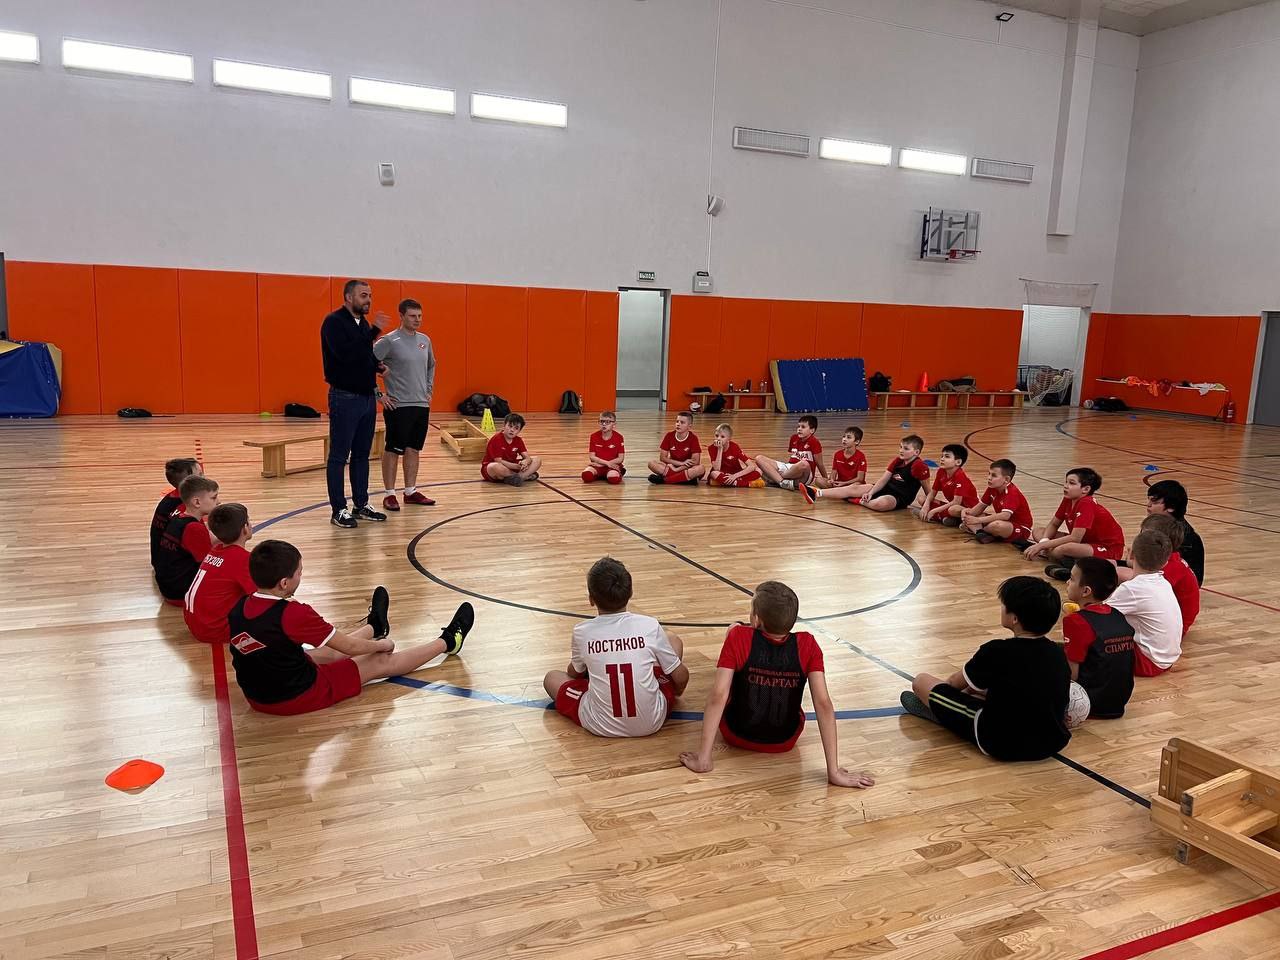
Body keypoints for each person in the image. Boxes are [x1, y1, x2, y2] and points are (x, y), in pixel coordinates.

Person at [227, 539, 475, 715]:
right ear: (284, 583)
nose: (301, 576)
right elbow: (350, 647)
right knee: (379, 661)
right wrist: (381, 646)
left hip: (257, 696)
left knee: (324, 652)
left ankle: (374, 626)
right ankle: (448, 641)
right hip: (295, 696)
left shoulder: (239, 606)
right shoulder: (293, 613)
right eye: (299, 573)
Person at [678, 581, 876, 789]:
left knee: (733, 631)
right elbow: (823, 703)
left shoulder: (739, 636)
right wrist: (833, 772)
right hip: (784, 740)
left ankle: (705, 758)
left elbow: (718, 696)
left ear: (756, 619)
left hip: (735, 733)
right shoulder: (808, 644)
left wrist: (704, 758)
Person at [900, 576, 1071, 762]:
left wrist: (939, 699)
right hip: (1051, 743)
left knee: (921, 682)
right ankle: (946, 709)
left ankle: (938, 714)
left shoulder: (996, 650)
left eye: (1003, 605)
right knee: (979, 690)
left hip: (1001, 743)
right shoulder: (1058, 652)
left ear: (1014, 618)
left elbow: (953, 683)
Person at [542, 557, 689, 736]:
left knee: (552, 678)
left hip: (600, 725)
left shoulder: (582, 631)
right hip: (653, 722)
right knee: (673, 640)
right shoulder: (649, 625)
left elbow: (573, 673)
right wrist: (673, 691)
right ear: (630, 592)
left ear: (591, 599)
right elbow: (681, 677)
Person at [321, 279, 390, 529]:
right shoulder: (334, 322)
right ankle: (338, 509)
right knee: (339, 456)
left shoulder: (362, 325)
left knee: (362, 454)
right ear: (349, 297)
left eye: (369, 295)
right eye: (363, 295)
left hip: (366, 397)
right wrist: (374, 332)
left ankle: (361, 504)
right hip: (344, 397)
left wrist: (377, 366)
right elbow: (345, 354)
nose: (368, 299)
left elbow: (363, 355)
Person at [374, 298, 436, 511]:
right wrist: (378, 394)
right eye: (412, 316)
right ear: (401, 316)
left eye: (420, 316)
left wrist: (429, 389)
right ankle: (389, 494)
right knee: (393, 449)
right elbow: (365, 364)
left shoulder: (425, 340)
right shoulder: (389, 341)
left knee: (413, 449)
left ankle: (410, 491)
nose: (417, 320)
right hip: (398, 406)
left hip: (421, 405)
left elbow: (431, 366)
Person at [1062, 558, 1135, 727]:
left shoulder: (1076, 621)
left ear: (1086, 591)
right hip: (1119, 701)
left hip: (1090, 703)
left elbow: (1071, 674)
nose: (1067, 582)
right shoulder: (1117, 615)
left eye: (1072, 578)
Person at [1024, 468, 1125, 580]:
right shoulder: (1068, 499)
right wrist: (1044, 541)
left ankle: (1075, 566)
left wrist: (1042, 546)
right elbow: (1054, 524)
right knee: (1038, 532)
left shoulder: (1087, 503)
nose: (1065, 486)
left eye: (1071, 483)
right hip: (1084, 542)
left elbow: (1075, 538)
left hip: (1107, 548)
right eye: (1066, 482)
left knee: (1061, 549)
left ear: (1086, 489)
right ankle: (1072, 560)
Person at [1107, 529, 1182, 676]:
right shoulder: (1163, 583)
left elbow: (1098, 616)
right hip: (1167, 659)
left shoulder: (1132, 588)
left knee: (1096, 631)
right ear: (1165, 563)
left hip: (1146, 662)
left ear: (1131, 555)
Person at [184, 502, 256, 643]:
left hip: (196, 623)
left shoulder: (215, 550)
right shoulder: (241, 559)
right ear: (245, 528)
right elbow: (260, 595)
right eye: (249, 520)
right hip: (215, 630)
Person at [1118, 513, 1198, 634]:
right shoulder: (1167, 558)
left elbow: (1142, 585)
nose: (1139, 538)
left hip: (1170, 627)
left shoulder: (1172, 567)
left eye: (1144, 535)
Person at [155, 475, 219, 605]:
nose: (218, 501)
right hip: (180, 593)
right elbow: (208, 566)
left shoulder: (179, 518)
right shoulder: (194, 528)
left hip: (169, 586)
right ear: (197, 502)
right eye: (214, 497)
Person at [844, 435, 931, 512]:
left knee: (880, 504)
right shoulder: (898, 460)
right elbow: (883, 480)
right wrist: (871, 493)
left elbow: (928, 490)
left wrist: (927, 506)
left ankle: (859, 501)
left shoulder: (919, 465)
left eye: (906, 449)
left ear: (916, 452)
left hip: (898, 498)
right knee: (851, 489)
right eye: (900, 447)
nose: (901, 450)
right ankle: (840, 492)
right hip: (886, 489)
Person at [962, 459, 1035, 547]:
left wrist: (977, 521)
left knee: (997, 525)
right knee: (966, 511)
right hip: (1002, 521)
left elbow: (1005, 516)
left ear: (1006, 479)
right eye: (989, 474)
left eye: (994, 475)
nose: (989, 478)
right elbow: (980, 507)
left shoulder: (1012, 492)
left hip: (1020, 528)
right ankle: (981, 533)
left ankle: (980, 532)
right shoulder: (992, 488)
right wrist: (967, 516)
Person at [1146, 479, 1204, 584]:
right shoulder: (1152, 526)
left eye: (1154, 502)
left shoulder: (1186, 539)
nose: (1148, 505)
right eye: (1148, 500)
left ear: (1171, 507)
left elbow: (1186, 578)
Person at [151, 457, 200, 573]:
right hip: (174, 570)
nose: (204, 478)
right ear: (189, 482)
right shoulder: (186, 507)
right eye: (200, 475)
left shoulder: (171, 498)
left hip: (161, 562)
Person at [797, 426, 866, 503]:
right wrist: (832, 480)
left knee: (857, 484)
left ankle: (838, 493)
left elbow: (860, 479)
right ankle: (841, 494)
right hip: (839, 483)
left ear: (856, 442)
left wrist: (844, 483)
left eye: (848, 437)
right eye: (844, 436)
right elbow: (833, 473)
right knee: (819, 480)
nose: (844, 439)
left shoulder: (861, 456)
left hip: (851, 484)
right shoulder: (838, 454)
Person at [755, 415, 826, 490]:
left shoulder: (814, 442)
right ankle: (782, 482)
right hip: (789, 468)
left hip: (805, 474)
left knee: (804, 464)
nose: (799, 429)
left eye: (803, 427)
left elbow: (820, 464)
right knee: (759, 458)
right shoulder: (794, 438)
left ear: (812, 430)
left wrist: (826, 478)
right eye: (798, 426)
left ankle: (775, 478)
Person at [917, 443, 979, 524]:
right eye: (942, 456)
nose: (942, 459)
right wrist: (926, 506)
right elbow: (932, 493)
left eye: (947, 456)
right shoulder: (941, 471)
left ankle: (939, 517)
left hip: (967, 509)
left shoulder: (960, 476)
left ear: (958, 462)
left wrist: (934, 511)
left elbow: (956, 502)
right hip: (952, 505)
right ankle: (947, 518)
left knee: (953, 509)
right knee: (922, 499)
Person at [482, 413, 542, 485]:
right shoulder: (496, 439)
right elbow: (499, 461)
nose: (512, 430)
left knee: (537, 460)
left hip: (512, 467)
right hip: (495, 468)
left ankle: (517, 478)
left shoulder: (518, 440)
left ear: (519, 431)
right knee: (495, 466)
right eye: (510, 426)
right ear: (504, 425)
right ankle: (524, 476)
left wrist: (525, 462)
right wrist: (517, 467)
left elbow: (527, 457)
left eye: (516, 428)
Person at [647, 411, 703, 484]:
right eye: (677, 421)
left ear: (689, 426)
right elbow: (663, 458)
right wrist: (680, 463)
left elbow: (695, 462)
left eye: (682, 422)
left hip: (686, 468)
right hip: (672, 466)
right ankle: (684, 480)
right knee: (651, 463)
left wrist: (677, 469)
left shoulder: (693, 438)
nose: (678, 424)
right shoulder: (669, 435)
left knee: (700, 468)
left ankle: (665, 480)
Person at [582, 410, 625, 484]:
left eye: (607, 422)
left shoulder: (619, 437)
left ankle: (616, 472)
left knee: (614, 479)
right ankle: (599, 474)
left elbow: (620, 458)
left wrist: (603, 464)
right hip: (597, 465)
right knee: (586, 476)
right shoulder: (594, 436)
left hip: (612, 465)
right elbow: (592, 456)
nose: (604, 424)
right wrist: (606, 463)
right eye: (602, 421)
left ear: (614, 424)